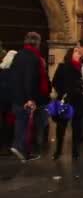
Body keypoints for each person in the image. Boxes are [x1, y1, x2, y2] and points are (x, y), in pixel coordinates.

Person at [10, 32, 50, 161]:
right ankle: (19, 146)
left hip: (17, 96)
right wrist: (30, 98)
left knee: (21, 122)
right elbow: (29, 79)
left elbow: (15, 76)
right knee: (27, 124)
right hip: (26, 98)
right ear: (38, 43)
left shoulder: (18, 55)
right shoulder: (33, 58)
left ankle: (23, 151)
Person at [51, 48, 83, 160]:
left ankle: (75, 151)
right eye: (76, 51)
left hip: (78, 100)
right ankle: (58, 150)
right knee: (61, 126)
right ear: (71, 54)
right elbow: (55, 82)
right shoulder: (63, 67)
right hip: (65, 100)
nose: (78, 53)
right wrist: (63, 92)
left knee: (77, 127)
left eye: (79, 52)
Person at [0, 50, 17, 154]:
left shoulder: (1, 72)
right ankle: (7, 145)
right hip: (11, 103)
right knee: (9, 125)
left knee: (3, 124)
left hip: (2, 102)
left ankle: (3, 145)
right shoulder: (14, 73)